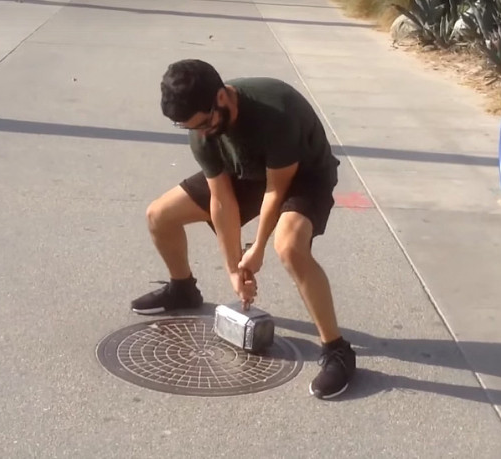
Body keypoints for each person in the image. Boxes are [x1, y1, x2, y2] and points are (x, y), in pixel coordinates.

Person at [131, 59, 355, 399]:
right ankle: (183, 289)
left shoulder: (275, 109)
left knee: (289, 247)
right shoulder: (201, 130)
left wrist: (257, 249)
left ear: (222, 97)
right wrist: (234, 268)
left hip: (302, 177)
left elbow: (276, 191)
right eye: (191, 128)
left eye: (205, 123)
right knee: (159, 215)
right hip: (245, 174)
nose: (202, 133)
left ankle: (337, 350)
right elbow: (221, 200)